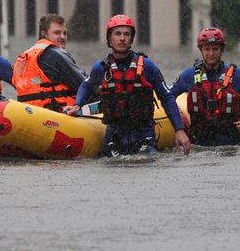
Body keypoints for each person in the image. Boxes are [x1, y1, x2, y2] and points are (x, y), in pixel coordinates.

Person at [70, 14, 191, 156]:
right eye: (118, 34)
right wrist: (77, 105)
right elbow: (87, 86)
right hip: (114, 135)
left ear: (131, 39)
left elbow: (167, 97)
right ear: (110, 38)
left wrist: (179, 130)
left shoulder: (147, 66)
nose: (122, 38)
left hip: (143, 134)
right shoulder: (101, 68)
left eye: (126, 34)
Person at [168, 26, 240, 147]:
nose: (211, 53)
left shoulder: (239, 76)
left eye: (215, 49)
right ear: (201, 50)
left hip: (232, 143)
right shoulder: (188, 76)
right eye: (207, 49)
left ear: (222, 50)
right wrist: (179, 123)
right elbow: (167, 98)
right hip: (199, 142)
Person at [11, 13, 87, 112]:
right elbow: (83, 84)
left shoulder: (24, 57)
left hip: (29, 114)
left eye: (65, 33)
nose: (62, 37)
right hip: (56, 115)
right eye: (57, 33)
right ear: (44, 34)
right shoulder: (55, 54)